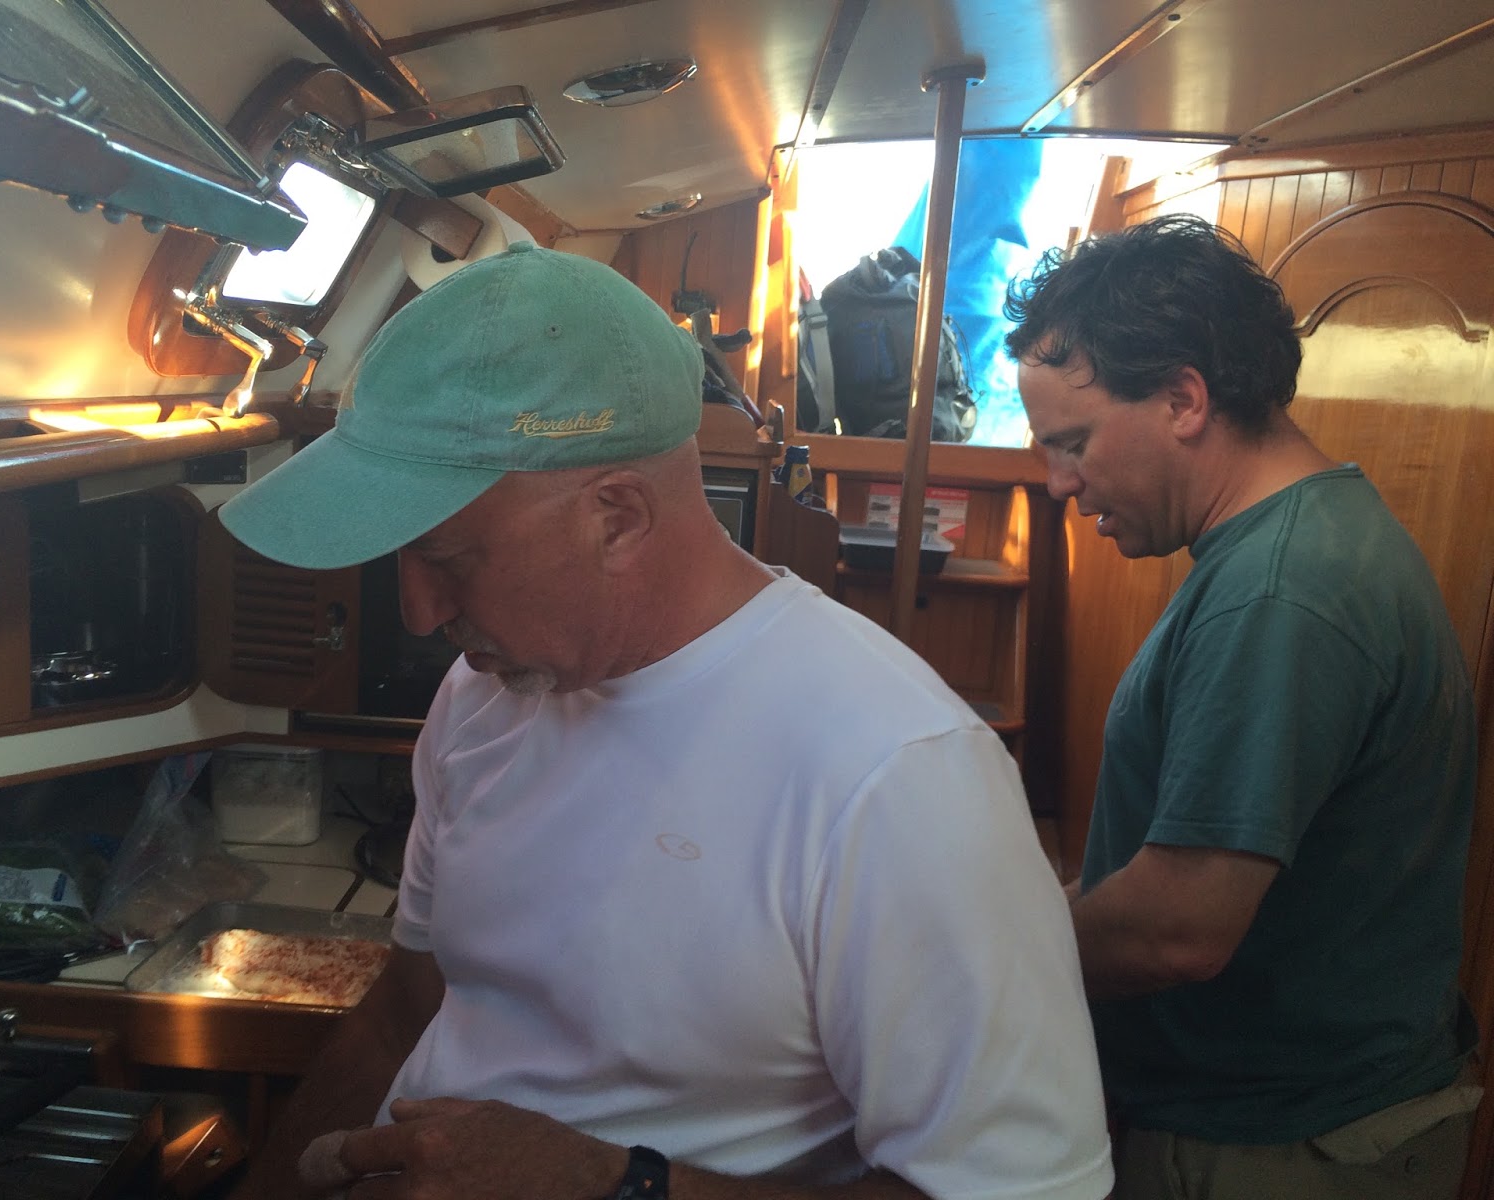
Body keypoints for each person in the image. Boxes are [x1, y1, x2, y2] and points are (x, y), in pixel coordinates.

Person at [217, 241, 1113, 1200]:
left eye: (447, 558)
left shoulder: (897, 773)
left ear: (618, 516)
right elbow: (410, 1007)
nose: (417, 612)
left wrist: (618, 1187)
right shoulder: (481, 698)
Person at [1004, 213, 1482, 1200]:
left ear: (1183, 398)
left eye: (1073, 443)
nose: (1057, 484)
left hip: (1278, 1147)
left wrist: (973, 949)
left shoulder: (1280, 593)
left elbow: (1180, 927)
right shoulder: (1298, 542)